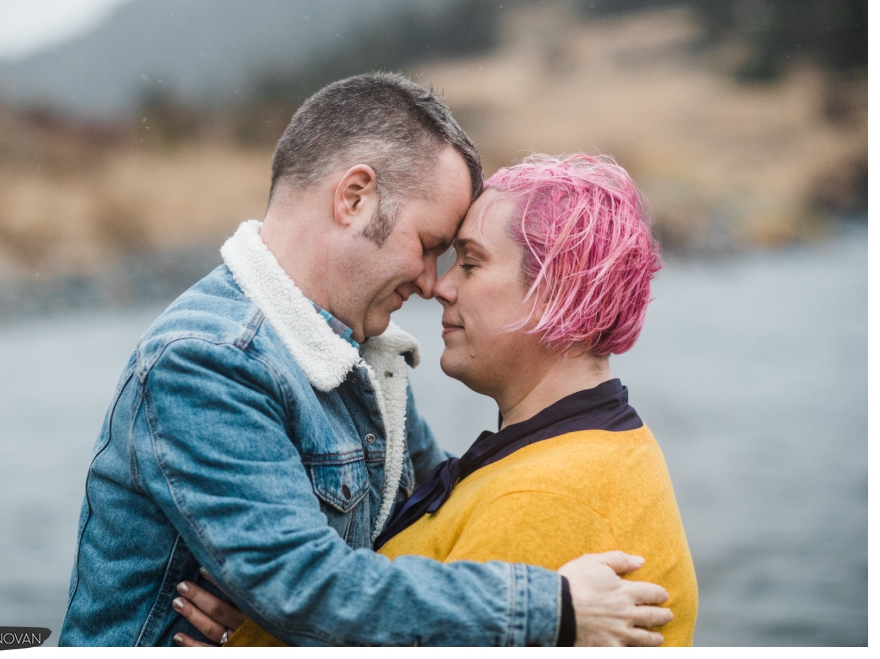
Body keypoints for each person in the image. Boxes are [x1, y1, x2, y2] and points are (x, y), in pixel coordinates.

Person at [59, 74, 673, 647]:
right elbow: (303, 584)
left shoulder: (353, 356)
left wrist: (260, 612)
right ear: (354, 197)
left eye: (461, 258)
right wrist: (553, 609)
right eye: (432, 246)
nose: (434, 285)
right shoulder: (208, 360)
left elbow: (430, 515)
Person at [175, 154, 697, 646]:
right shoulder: (563, 454)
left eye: (470, 264)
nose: (440, 287)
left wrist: (253, 638)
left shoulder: (546, 501)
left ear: (558, 292)